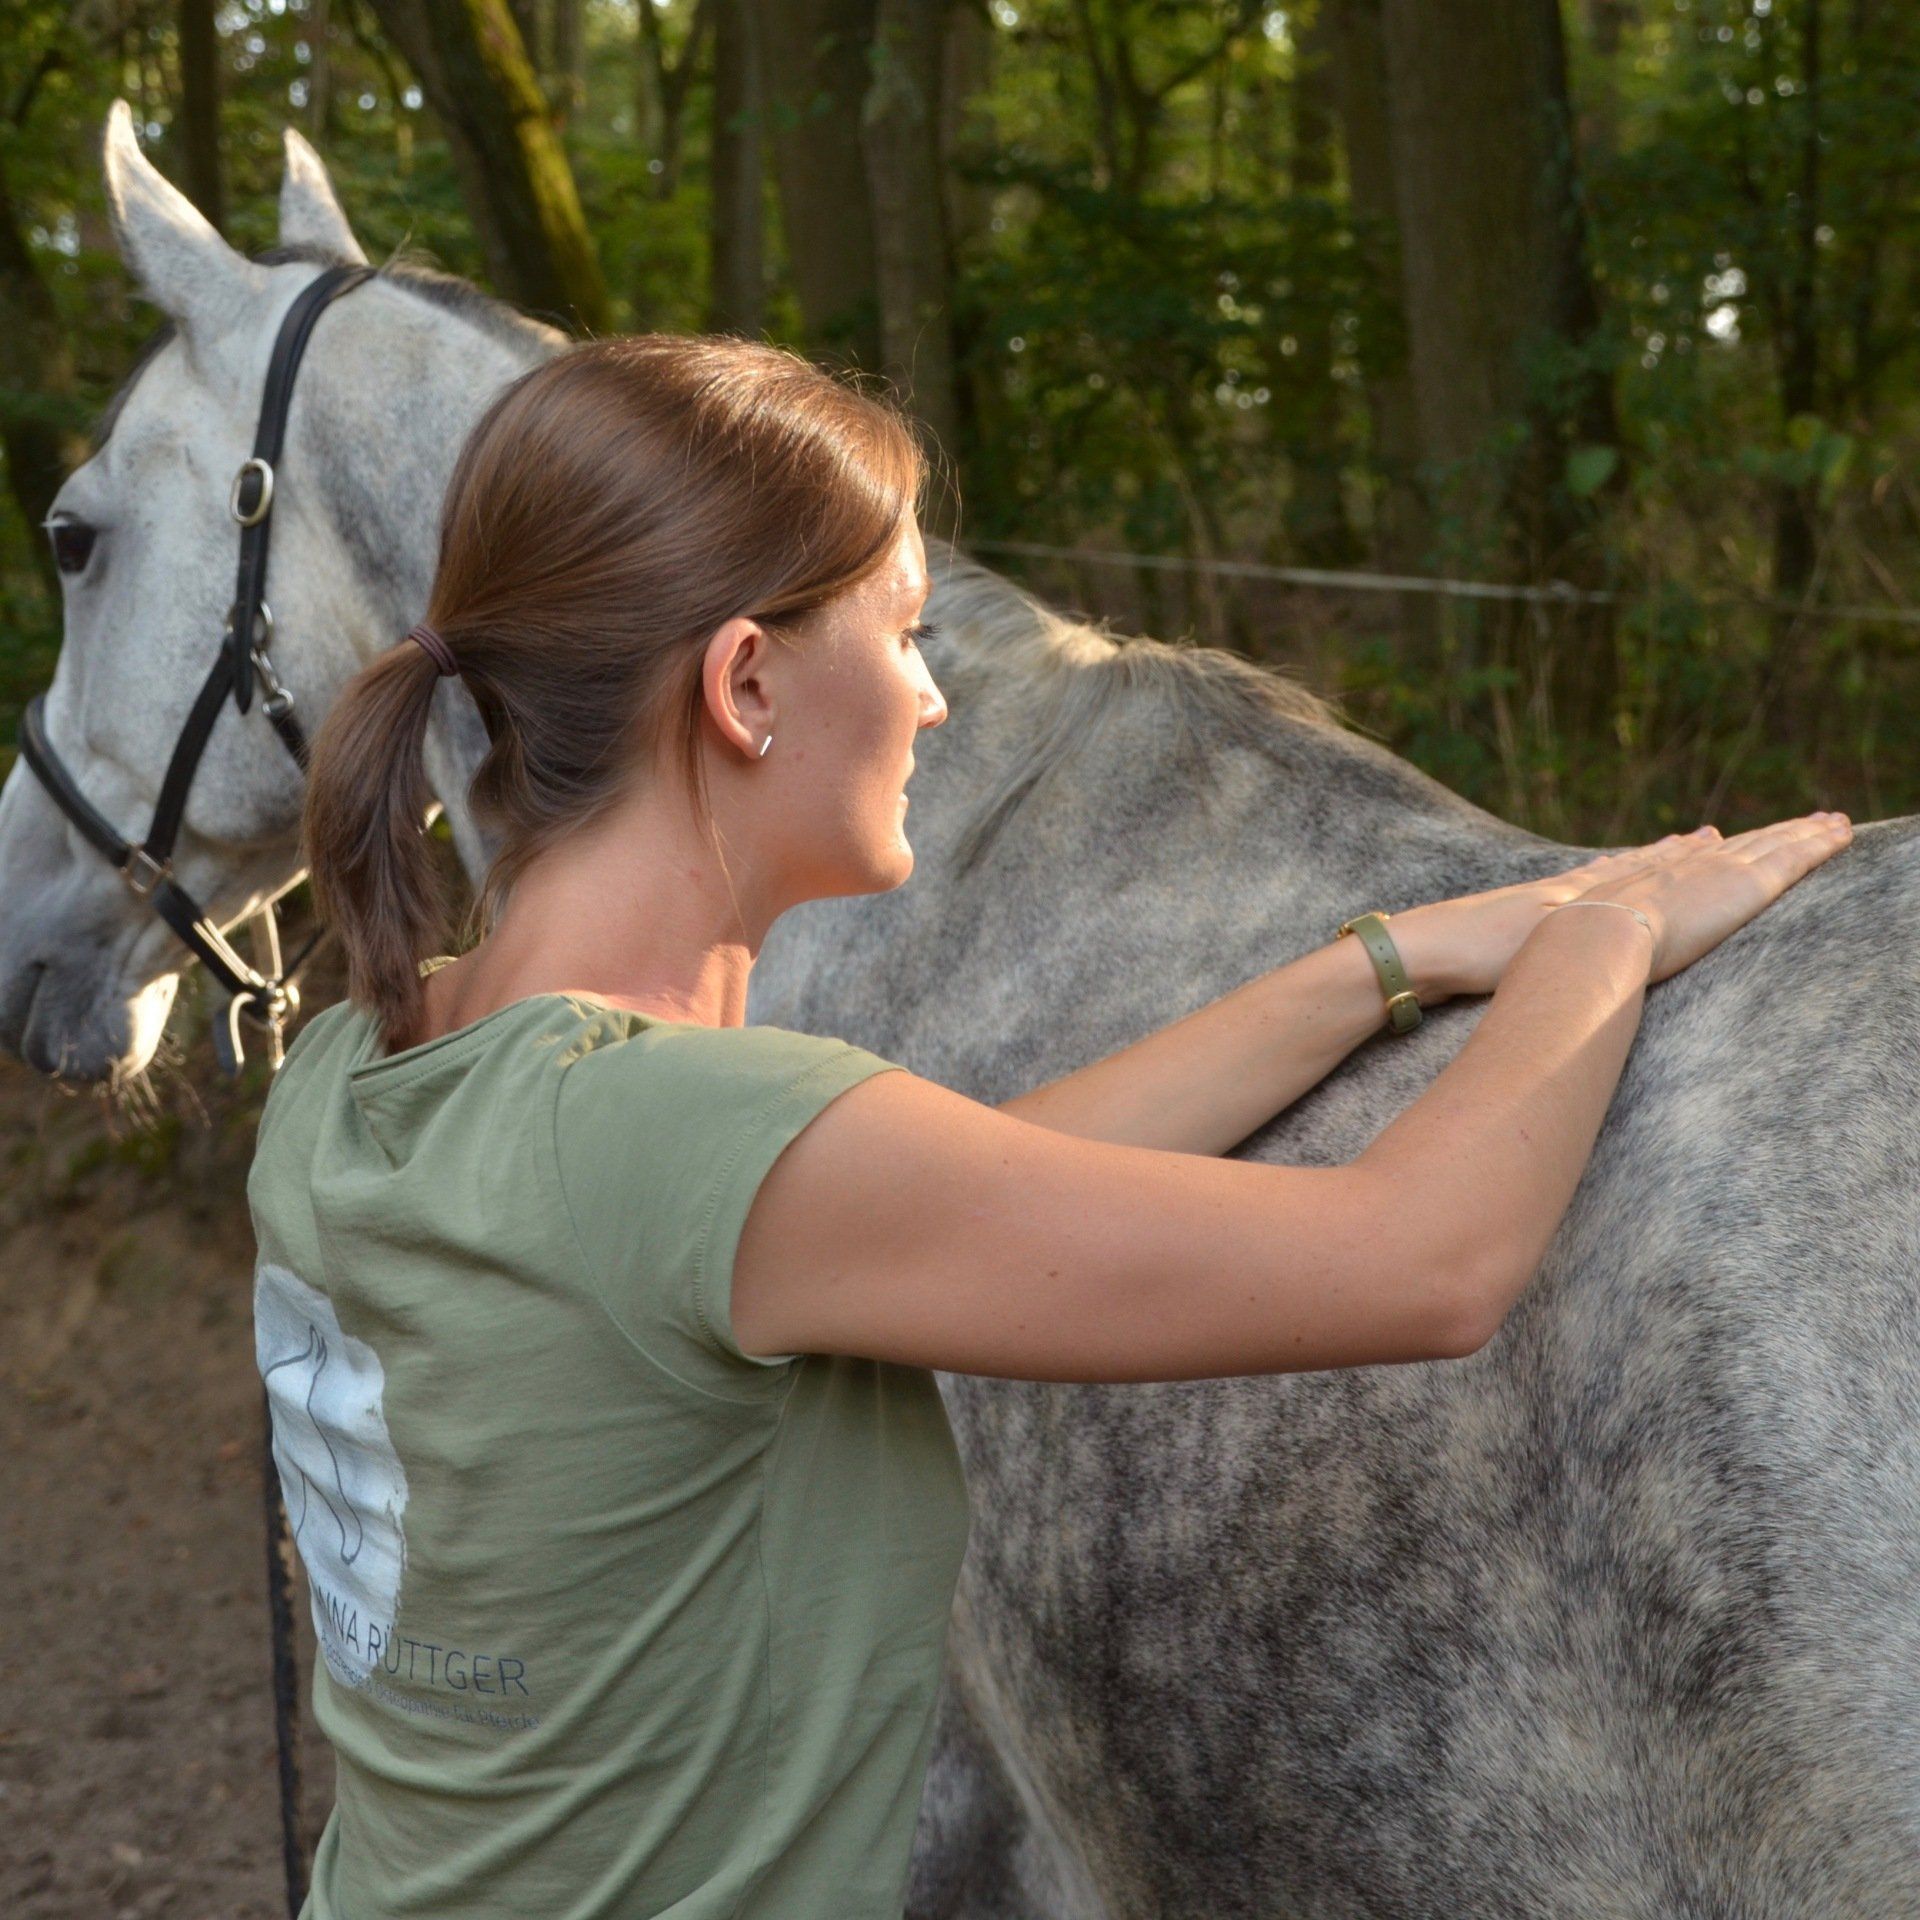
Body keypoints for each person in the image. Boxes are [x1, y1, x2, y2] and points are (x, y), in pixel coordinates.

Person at [246, 330, 1852, 1920]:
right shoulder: (689, 1139)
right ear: (746, 686)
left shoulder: (353, 1075)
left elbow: (953, 1181)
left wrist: (1385, 959)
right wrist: (1607, 934)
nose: (934, 700)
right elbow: (1421, 1260)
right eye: (904, 634)